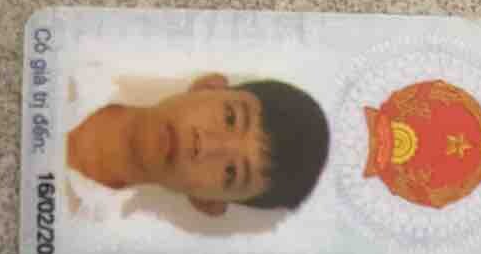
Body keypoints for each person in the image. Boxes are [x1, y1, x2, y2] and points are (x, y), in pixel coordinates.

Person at [67, 74, 329, 217]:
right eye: (230, 118)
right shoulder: (67, 71)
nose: (205, 146)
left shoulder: (74, 231)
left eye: (230, 172)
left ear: (208, 203)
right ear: (208, 86)